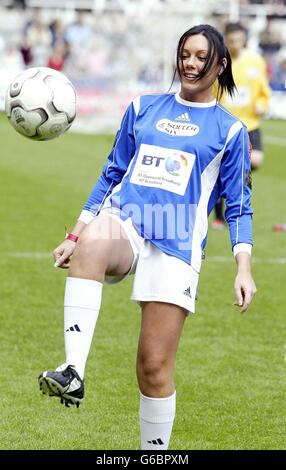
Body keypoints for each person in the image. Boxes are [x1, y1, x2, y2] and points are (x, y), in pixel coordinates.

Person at [38, 24, 257, 450]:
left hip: (176, 244)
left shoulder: (230, 131)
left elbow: (238, 206)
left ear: (221, 64)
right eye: (184, 55)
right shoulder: (142, 108)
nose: (190, 64)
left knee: (153, 368)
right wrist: (75, 233)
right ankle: (73, 371)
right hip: (128, 223)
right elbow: (111, 174)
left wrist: (242, 268)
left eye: (201, 57)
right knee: (95, 240)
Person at [212, 21, 271, 230]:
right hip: (225, 124)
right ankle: (220, 217)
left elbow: (264, 90)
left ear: (244, 40)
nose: (235, 44)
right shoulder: (219, 62)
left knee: (255, 160)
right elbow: (213, 92)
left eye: (239, 40)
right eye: (231, 41)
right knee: (220, 170)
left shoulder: (256, 61)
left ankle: (234, 179)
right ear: (225, 40)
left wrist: (262, 104)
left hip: (249, 123)